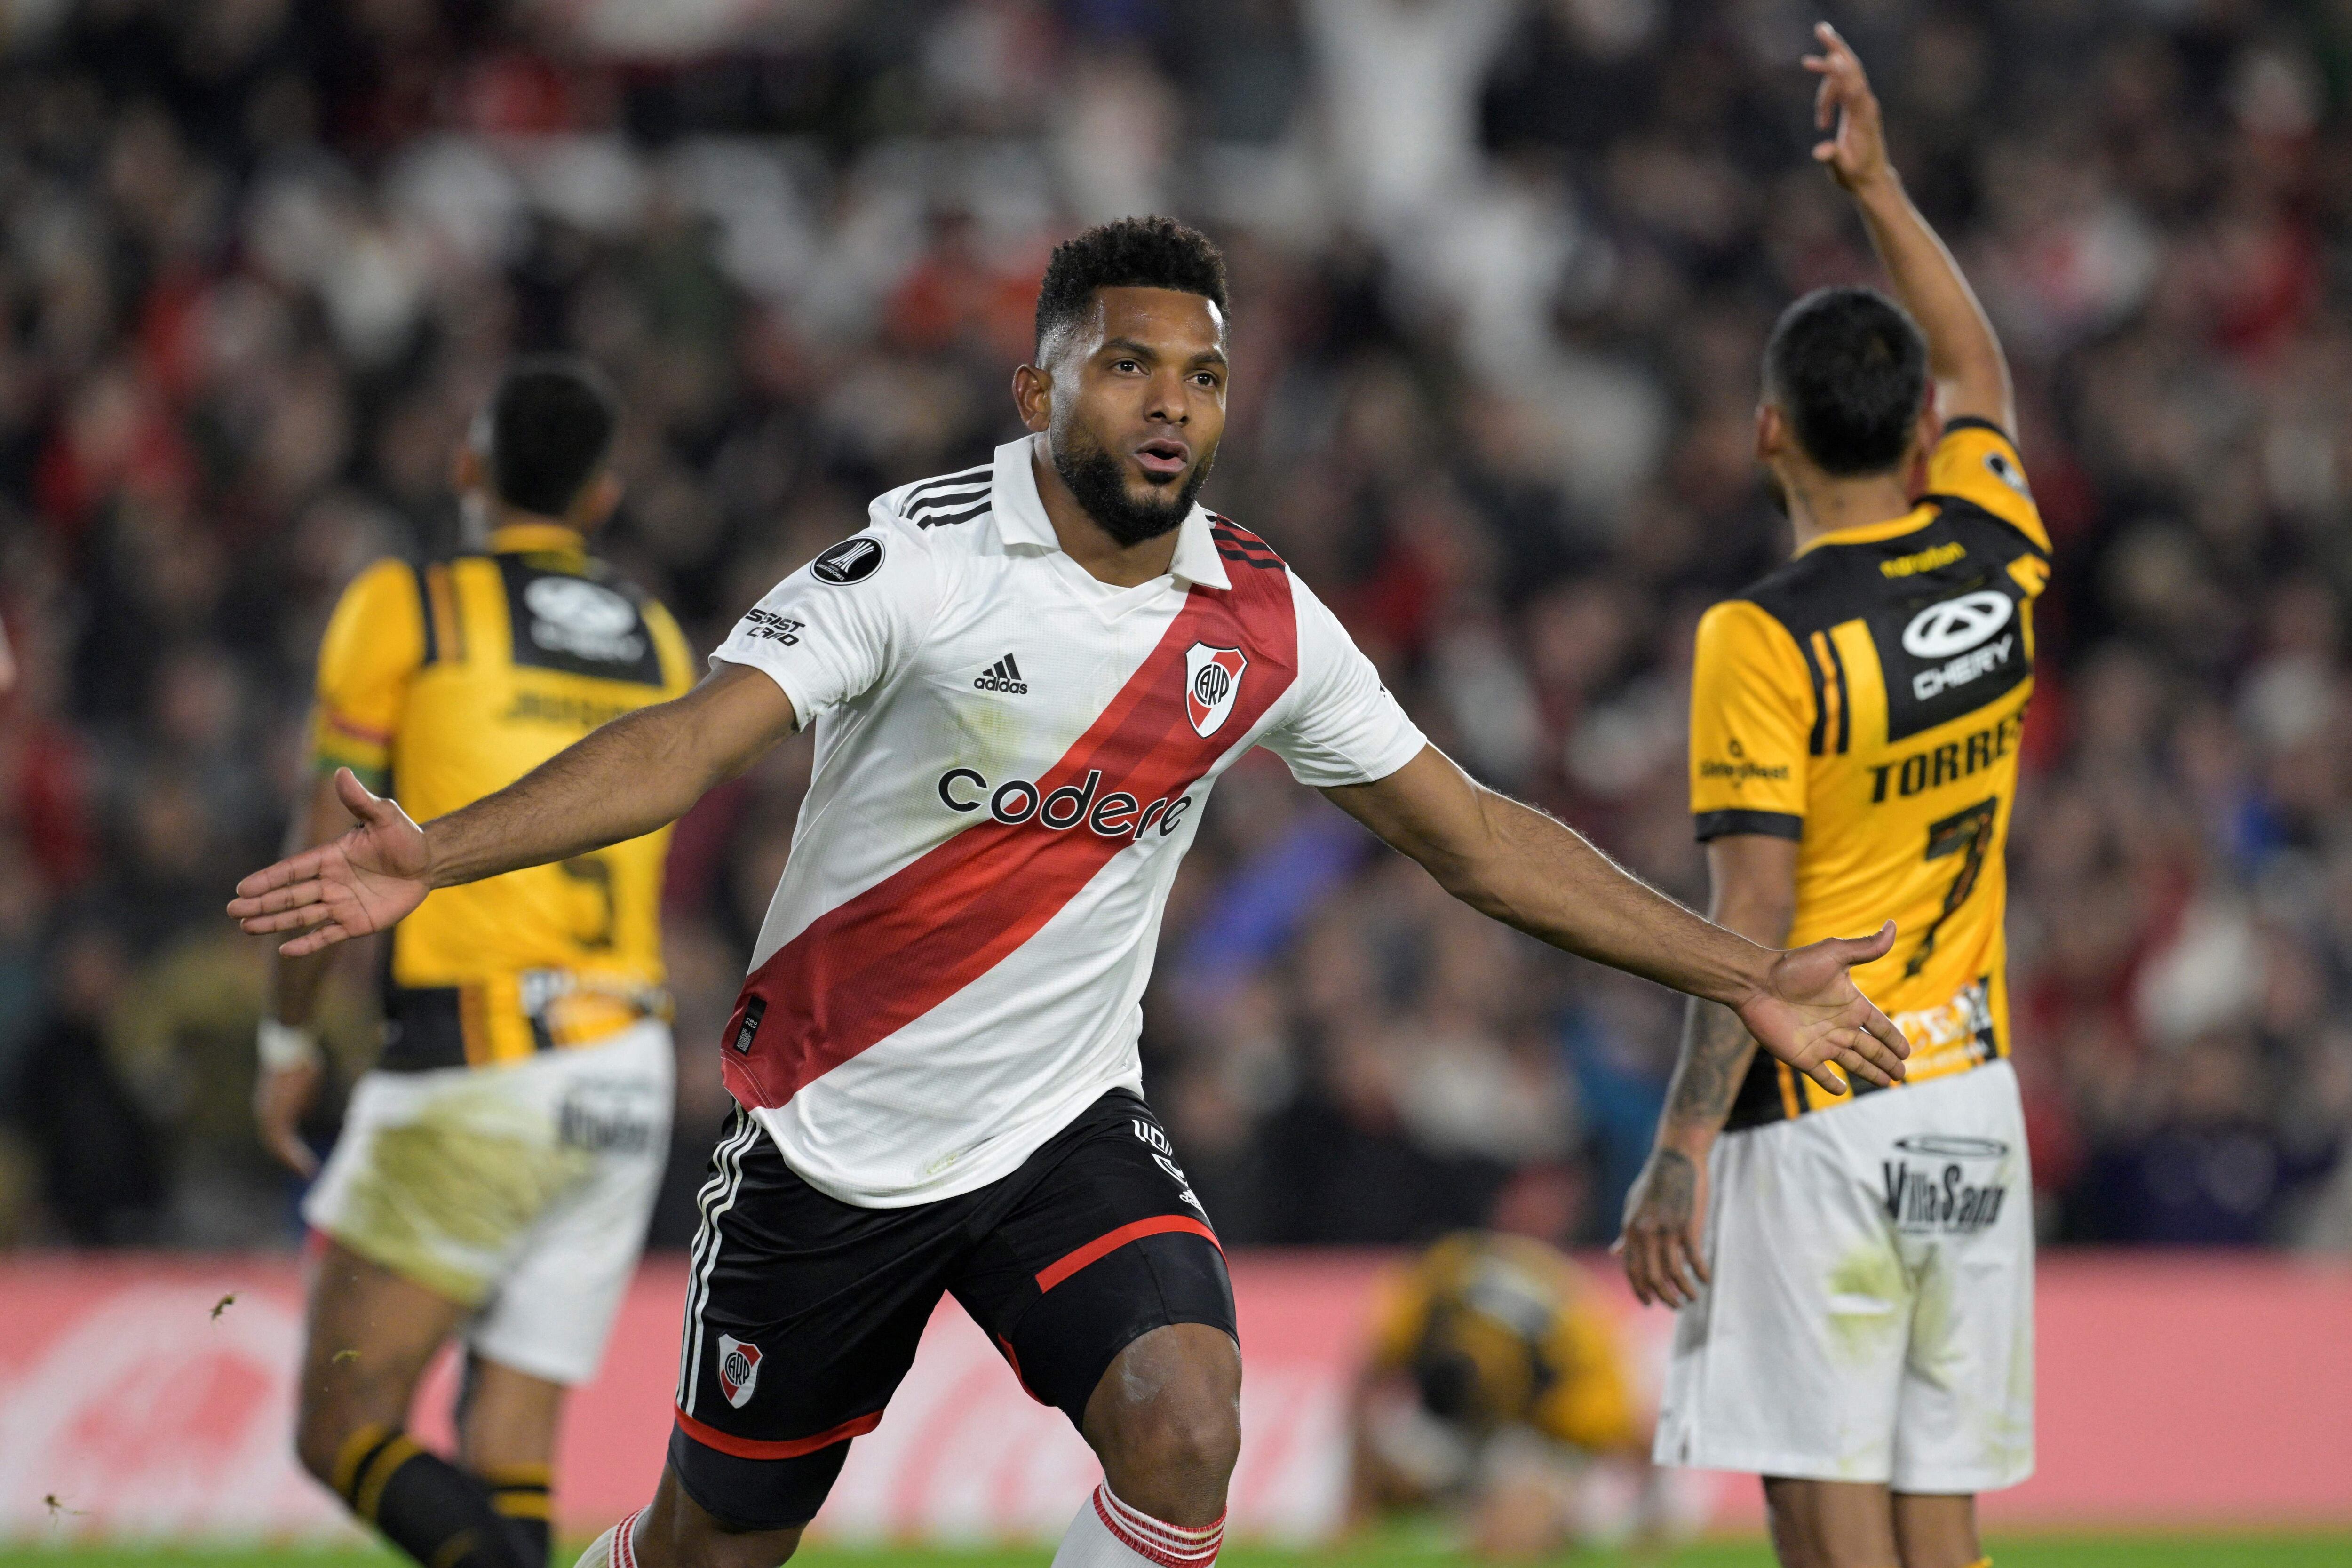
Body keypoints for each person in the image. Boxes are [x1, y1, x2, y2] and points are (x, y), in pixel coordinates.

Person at [232, 215, 1911, 1568]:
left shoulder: (1259, 621)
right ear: (1037, 392)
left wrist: (1734, 974)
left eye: (1201, 374)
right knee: (708, 1547)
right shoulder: (921, 561)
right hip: (828, 1142)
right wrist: (435, 852)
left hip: (1055, 1133)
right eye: (1126, 367)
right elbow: (688, 744)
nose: (1170, 403)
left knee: (1186, 1423)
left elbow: (1469, 833)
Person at [1615, 27, 2046, 1568]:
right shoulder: (1999, 552)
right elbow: (1984, 363)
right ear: (1928, 434)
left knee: (1826, 1523)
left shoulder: (1765, 634)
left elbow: (1756, 912)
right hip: (1972, 1100)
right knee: (1947, 1529)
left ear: (1768, 434)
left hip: (1821, 1119)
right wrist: (1879, 184)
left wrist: (1678, 1142)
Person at [254, 359, 695, 1568]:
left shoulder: (411, 604)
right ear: (602, 496)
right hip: (623, 1066)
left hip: (479, 1065)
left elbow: (324, 841)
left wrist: (290, 1039)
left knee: (341, 1420)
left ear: (466, 468)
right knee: (511, 1444)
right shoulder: (657, 635)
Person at [1350, 1231, 1661, 1560]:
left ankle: (1543, 1517)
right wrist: (1354, 1509)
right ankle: (1468, 1511)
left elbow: (1635, 1437)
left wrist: (1650, 1524)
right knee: (1390, 1465)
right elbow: (1367, 1381)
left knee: (1511, 1539)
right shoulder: (1436, 1292)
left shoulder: (1568, 1375)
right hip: (1462, 1426)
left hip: (1535, 1437)